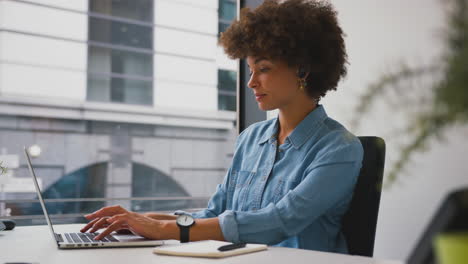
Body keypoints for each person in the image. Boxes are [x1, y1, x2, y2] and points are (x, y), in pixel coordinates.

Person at [81, 0, 363, 254]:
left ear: (302, 69)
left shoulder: (339, 148)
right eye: (250, 70)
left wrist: (163, 230)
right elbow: (214, 213)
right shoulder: (251, 139)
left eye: (263, 69)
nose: (251, 82)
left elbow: (279, 221)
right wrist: (143, 220)